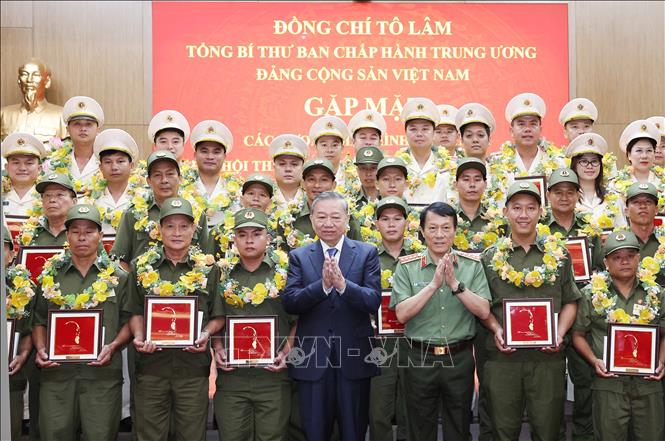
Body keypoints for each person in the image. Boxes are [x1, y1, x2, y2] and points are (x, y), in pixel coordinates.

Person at [481, 181, 581, 441]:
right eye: (516, 208)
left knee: (549, 432)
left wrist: (559, 333)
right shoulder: (489, 257)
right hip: (503, 362)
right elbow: (481, 306)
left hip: (547, 360)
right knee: (502, 432)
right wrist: (496, 328)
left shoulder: (559, 255)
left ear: (540, 212)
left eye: (530, 208)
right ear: (506, 212)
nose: (523, 215)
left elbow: (571, 300)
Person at [281, 191, 381, 441]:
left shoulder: (366, 252)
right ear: (312, 219)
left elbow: (373, 300)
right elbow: (290, 302)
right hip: (313, 360)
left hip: (354, 358)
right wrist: (323, 287)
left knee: (353, 432)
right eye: (321, 217)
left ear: (346, 219)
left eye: (335, 217)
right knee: (315, 432)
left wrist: (343, 285)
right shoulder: (299, 256)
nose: (328, 223)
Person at [390, 202, 491, 441]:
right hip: (419, 357)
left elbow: (483, 311)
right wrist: (433, 285)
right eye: (432, 228)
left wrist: (455, 284)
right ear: (422, 232)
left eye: (446, 228)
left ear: (455, 231)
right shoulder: (407, 266)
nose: (439, 235)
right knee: (419, 428)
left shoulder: (471, 265)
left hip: (459, 357)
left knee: (459, 426)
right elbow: (401, 314)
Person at [126, 197, 224, 441]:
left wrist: (205, 334)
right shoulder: (140, 267)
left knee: (192, 435)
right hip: (151, 367)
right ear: (159, 230)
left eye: (183, 226)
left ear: (194, 229)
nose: (177, 233)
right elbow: (135, 311)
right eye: (169, 226)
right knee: (149, 435)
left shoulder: (210, 269)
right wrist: (139, 337)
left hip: (193, 369)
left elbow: (218, 316)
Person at [31, 204, 131, 440]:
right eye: (75, 231)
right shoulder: (49, 276)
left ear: (100, 235)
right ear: (67, 236)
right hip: (57, 377)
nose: (82, 237)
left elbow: (130, 320)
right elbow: (39, 320)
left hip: (102, 376)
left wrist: (113, 346)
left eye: (89, 231)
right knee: (53, 434)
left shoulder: (118, 277)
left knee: (101, 436)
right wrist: (41, 348)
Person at [572, 231, 665, 441]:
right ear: (606, 262)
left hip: (648, 384)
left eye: (630, 256)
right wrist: (594, 361)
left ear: (639, 258)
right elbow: (578, 334)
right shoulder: (591, 294)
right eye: (617, 257)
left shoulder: (657, 293)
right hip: (609, 385)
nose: (624, 261)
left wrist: (661, 361)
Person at [213, 208, 296, 441]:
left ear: (268, 238)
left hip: (273, 379)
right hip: (232, 379)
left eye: (256, 233)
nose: (249, 240)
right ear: (234, 239)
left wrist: (286, 352)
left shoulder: (286, 273)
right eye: (242, 234)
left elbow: (299, 320)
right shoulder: (220, 274)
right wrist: (218, 349)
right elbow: (215, 318)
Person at [367, 196, 420, 441]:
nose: (391, 224)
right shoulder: (367, 257)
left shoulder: (421, 256)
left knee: (413, 410)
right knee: (379, 411)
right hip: (380, 345)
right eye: (385, 219)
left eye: (397, 219)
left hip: (415, 342)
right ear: (376, 224)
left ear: (407, 223)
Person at [111, 150, 211, 269]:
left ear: (180, 178)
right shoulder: (132, 214)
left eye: (170, 174)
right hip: (142, 280)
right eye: (157, 175)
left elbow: (206, 258)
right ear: (149, 181)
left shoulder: (196, 214)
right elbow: (121, 260)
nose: (164, 180)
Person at [486, 93, 565, 205]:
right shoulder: (495, 163)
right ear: (511, 131)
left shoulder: (558, 163)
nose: (527, 129)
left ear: (540, 129)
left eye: (533, 124)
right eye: (521, 124)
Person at [275, 159, 360, 251]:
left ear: (334, 185)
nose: (317, 185)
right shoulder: (288, 220)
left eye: (324, 180)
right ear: (303, 184)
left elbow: (358, 253)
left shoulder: (347, 219)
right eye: (311, 179)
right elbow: (283, 256)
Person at [4, 224, 36, 441]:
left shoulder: (24, 289)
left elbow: (28, 330)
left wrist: (23, 354)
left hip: (9, 379)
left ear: (12, 254)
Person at [187, 119, 242, 228]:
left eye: (216, 152)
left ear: (224, 156)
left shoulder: (237, 190)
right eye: (204, 151)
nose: (210, 157)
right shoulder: (183, 187)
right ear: (195, 155)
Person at [397, 97, 451, 208]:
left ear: (434, 132)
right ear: (405, 132)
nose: (419, 134)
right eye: (413, 129)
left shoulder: (448, 166)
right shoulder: (397, 165)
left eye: (425, 129)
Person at [545, 168, 604, 269]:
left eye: (570, 193)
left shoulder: (591, 228)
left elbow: (598, 267)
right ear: (548, 195)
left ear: (577, 196)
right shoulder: (538, 227)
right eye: (558, 193)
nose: (564, 198)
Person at [85, 128, 141, 233]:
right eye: (108, 162)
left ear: (131, 165)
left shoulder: (143, 197)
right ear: (100, 167)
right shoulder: (89, 199)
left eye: (120, 161)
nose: (114, 167)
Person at [566, 132, 626, 228]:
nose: (590, 166)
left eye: (594, 161)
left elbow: (621, 230)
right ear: (574, 165)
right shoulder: (566, 198)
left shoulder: (614, 198)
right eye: (584, 161)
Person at [44, 96, 104, 190]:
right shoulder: (53, 162)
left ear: (98, 129)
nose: (83, 129)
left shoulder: (108, 160)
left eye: (88, 124)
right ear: (68, 129)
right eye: (77, 124)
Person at [1, 58, 67, 143]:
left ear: (47, 81)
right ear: (19, 81)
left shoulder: (61, 116)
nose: (29, 80)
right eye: (24, 74)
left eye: (36, 75)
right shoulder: (3, 115)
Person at [17, 173, 77, 247]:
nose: (52, 200)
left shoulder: (83, 232)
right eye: (47, 195)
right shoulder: (30, 232)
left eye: (60, 195)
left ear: (74, 202)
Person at [611, 120, 663, 192]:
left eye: (649, 150)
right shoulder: (615, 185)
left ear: (654, 153)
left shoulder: (662, 180)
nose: (644, 156)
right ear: (629, 154)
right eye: (639, 150)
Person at [2, 132, 45, 217]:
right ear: (6, 167)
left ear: (39, 168)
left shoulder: (48, 195)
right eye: (16, 163)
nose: (22, 168)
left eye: (29, 163)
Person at [309, 115, 350, 184]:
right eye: (324, 145)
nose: (329, 150)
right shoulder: (307, 176)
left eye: (334, 145)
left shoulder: (353, 175)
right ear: (316, 148)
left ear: (342, 147)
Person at [270, 134, 308, 209]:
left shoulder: (311, 197)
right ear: (274, 167)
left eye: (294, 164)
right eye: (282, 164)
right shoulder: (265, 196)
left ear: (303, 168)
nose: (288, 169)